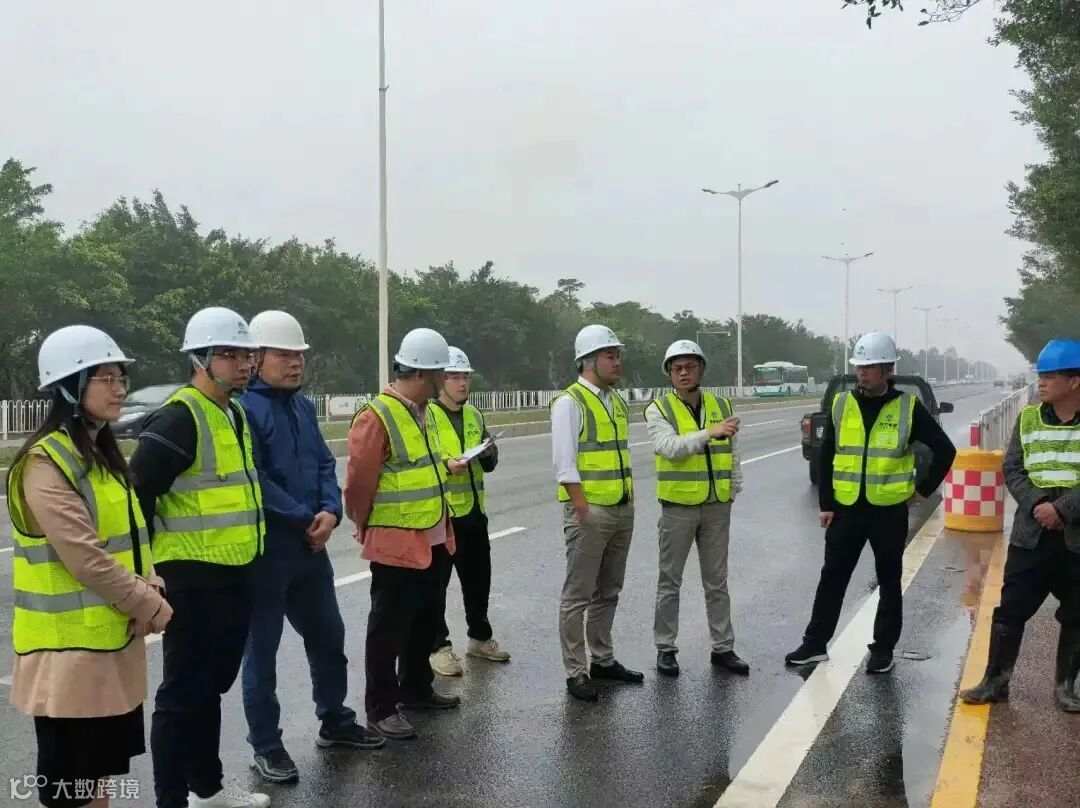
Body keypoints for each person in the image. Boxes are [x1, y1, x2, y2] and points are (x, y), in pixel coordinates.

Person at [7, 326, 171, 808]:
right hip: (68, 657)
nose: (120, 388)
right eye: (106, 378)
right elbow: (85, 557)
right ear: (68, 387)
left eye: (121, 377)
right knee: (72, 791)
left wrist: (153, 585)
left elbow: (131, 539)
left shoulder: (99, 456)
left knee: (97, 779)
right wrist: (148, 603)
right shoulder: (45, 463)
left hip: (107, 647)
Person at [130, 307, 270, 808]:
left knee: (210, 687)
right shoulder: (178, 417)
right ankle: (171, 800)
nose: (244, 364)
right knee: (181, 694)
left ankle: (206, 790)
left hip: (234, 572)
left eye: (247, 355)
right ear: (200, 359)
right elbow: (137, 498)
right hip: (189, 579)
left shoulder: (234, 413)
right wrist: (145, 575)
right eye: (230, 355)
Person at [238, 311, 383, 785]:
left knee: (328, 637)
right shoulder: (243, 410)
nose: (296, 363)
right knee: (262, 653)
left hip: (310, 550)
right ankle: (266, 745)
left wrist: (330, 511)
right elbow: (253, 478)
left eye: (299, 354)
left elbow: (323, 463)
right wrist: (306, 518)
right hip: (267, 553)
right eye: (284, 355)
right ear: (256, 358)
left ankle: (335, 720)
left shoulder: (301, 407)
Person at [785, 332, 956, 674]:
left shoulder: (908, 408)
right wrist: (826, 504)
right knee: (832, 578)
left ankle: (883, 649)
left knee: (889, 582)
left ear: (888, 370)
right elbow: (826, 455)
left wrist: (923, 491)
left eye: (870, 367)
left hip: (887, 512)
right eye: (859, 366)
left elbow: (945, 450)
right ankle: (815, 644)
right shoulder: (841, 404)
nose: (862, 372)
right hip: (846, 510)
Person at [344, 327, 461, 741]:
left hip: (433, 536)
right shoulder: (376, 416)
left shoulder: (426, 412)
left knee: (425, 620)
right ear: (422, 373)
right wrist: (364, 524)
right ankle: (381, 708)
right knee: (388, 629)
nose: (445, 380)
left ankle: (415, 688)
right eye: (440, 373)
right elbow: (358, 484)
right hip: (397, 542)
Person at [960, 339, 1080, 711]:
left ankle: (1065, 687)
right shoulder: (1028, 418)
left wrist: (1063, 510)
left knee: (1077, 612)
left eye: (1049, 376)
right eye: (1040, 375)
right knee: (1011, 609)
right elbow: (1012, 467)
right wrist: (1039, 505)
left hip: (1075, 536)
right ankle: (994, 682)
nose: (1041, 382)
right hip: (1032, 534)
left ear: (1074, 381)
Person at [645, 339, 750, 677]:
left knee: (717, 581)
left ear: (701, 369)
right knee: (669, 582)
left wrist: (732, 489)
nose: (683, 373)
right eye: (677, 368)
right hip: (678, 507)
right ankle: (665, 648)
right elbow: (669, 447)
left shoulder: (721, 404)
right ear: (669, 374)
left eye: (690, 366)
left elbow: (733, 452)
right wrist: (709, 432)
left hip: (717, 506)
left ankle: (723, 648)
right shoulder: (659, 409)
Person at [551, 324, 643, 703]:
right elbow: (565, 462)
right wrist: (582, 507)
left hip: (621, 508)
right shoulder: (570, 402)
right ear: (588, 361)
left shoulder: (616, 401)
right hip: (590, 512)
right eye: (610, 355)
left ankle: (602, 659)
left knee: (609, 590)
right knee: (578, 595)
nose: (617, 362)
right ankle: (576, 670)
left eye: (618, 355)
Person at [428, 346, 511, 676]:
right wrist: (446, 466)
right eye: (455, 377)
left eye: (466, 377)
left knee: (478, 581)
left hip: (475, 511)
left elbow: (488, 464)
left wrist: (489, 452)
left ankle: (480, 638)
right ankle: (438, 646)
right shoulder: (427, 416)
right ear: (440, 380)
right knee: (436, 586)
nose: (462, 383)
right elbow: (421, 462)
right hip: (443, 516)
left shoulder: (475, 415)